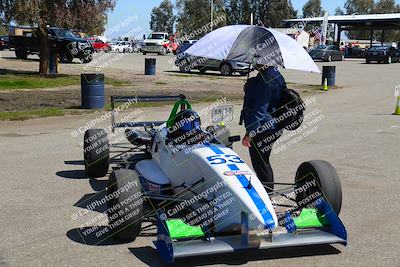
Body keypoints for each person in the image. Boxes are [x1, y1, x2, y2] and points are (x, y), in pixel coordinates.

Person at [241, 65, 286, 193]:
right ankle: (267, 192)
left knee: (260, 163)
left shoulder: (265, 79)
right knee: (263, 161)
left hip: (264, 128)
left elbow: (259, 110)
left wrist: (249, 133)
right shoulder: (275, 74)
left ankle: (267, 195)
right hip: (274, 125)